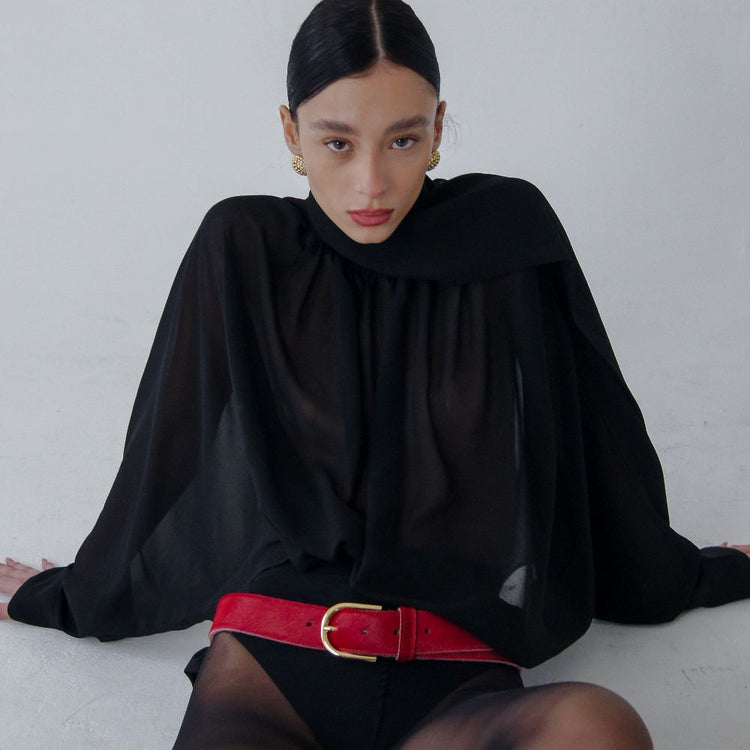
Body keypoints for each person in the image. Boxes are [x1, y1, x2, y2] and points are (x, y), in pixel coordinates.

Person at [2, 0, 749, 747]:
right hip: (272, 667)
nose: (371, 183)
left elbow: (595, 439)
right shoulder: (244, 244)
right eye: (337, 141)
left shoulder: (507, 236)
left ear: (438, 128)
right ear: (291, 132)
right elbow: (164, 454)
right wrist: (66, 596)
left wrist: (688, 574)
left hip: (459, 670)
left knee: (600, 729)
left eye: (402, 139)